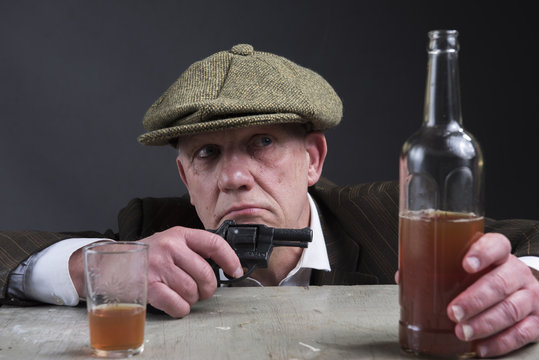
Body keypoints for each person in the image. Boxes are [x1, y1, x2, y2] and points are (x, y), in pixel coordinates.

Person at [1, 44, 538, 358]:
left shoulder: (389, 217)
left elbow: (527, 245)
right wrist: (88, 269)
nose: (234, 177)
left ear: (314, 160)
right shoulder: (153, 229)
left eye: (263, 143)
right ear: (186, 177)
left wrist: (524, 284)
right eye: (208, 153)